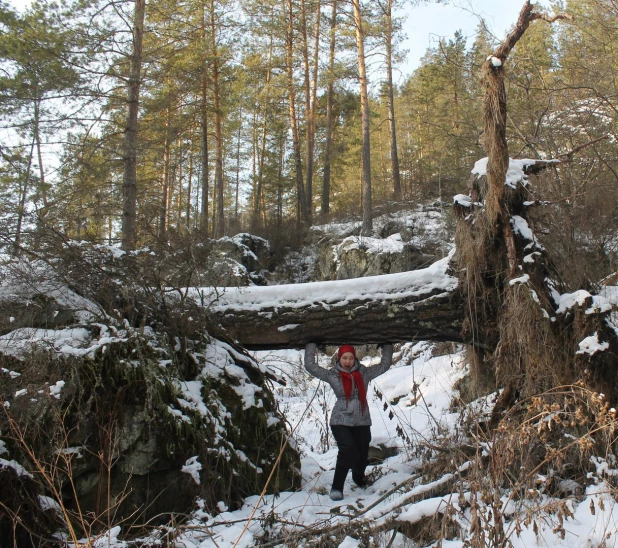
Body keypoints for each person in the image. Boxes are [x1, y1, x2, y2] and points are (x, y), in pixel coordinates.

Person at [304, 342, 393, 501]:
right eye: (344, 358)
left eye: (351, 358)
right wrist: (312, 345)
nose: (348, 361)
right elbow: (311, 366)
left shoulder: (364, 373)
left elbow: (385, 365)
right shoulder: (333, 375)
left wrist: (386, 344)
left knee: (361, 456)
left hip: (362, 420)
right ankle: (336, 488)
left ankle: (358, 478)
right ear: (339, 358)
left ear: (355, 358)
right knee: (347, 450)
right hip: (340, 419)